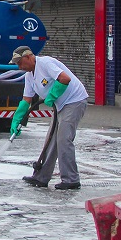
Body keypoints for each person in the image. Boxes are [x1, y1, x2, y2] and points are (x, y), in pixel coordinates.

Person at [10, 46, 89, 190]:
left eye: (20, 62)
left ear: (29, 57)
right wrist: (17, 119)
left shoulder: (45, 63)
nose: (19, 66)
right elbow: (26, 100)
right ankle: (41, 177)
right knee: (51, 140)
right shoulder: (29, 76)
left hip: (74, 101)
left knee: (63, 139)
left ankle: (71, 179)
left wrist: (52, 95)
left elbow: (65, 79)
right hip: (60, 105)